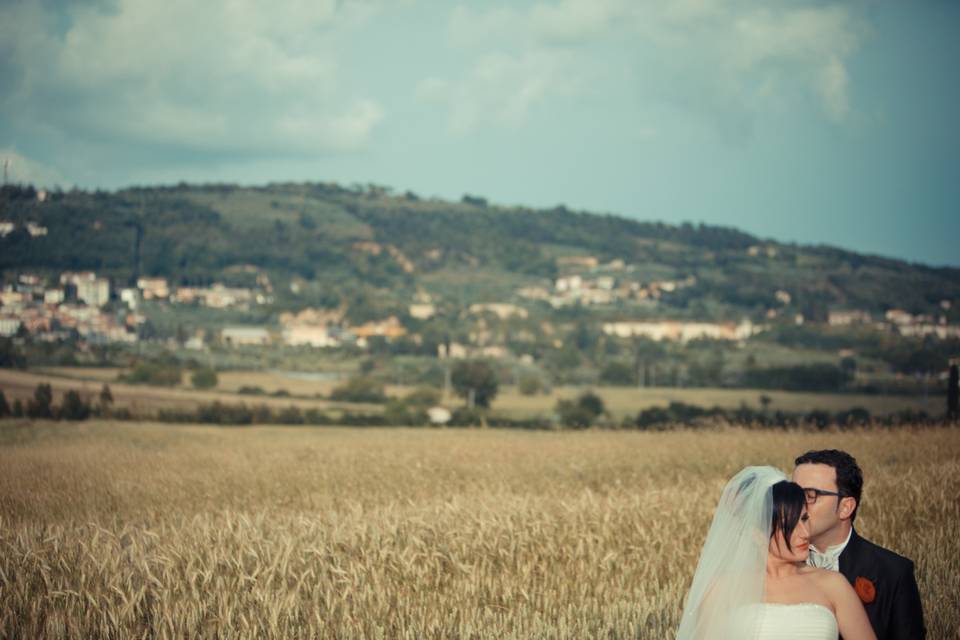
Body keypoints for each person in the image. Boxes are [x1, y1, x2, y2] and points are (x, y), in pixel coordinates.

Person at [677, 466, 876, 639]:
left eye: (804, 519)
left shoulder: (834, 585)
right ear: (758, 533)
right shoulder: (722, 590)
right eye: (790, 526)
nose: (805, 533)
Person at [793, 450, 926, 640]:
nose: (796, 504)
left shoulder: (893, 572)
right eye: (792, 493)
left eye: (810, 495)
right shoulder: (774, 563)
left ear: (846, 507)